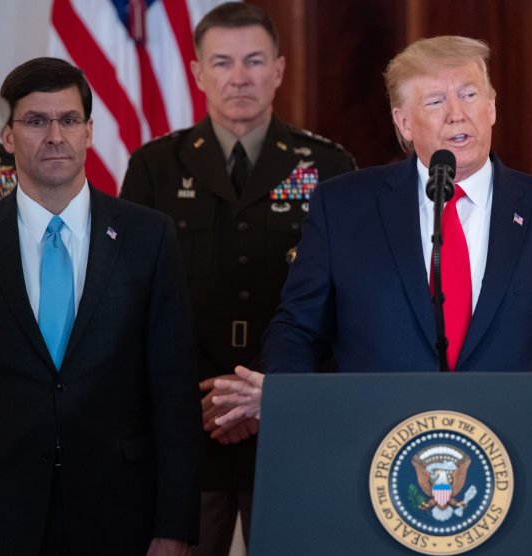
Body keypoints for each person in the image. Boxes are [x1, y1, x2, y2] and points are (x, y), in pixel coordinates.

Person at [209, 36, 532, 438]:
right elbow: (298, 329)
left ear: (493, 106)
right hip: (373, 449)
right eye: (436, 101)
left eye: (471, 95)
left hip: (517, 452)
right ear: (402, 121)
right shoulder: (343, 207)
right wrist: (284, 394)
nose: (458, 115)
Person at [118, 3, 356, 555]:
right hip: (187, 425)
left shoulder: (328, 167)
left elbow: (346, 303)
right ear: (198, 73)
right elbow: (131, 302)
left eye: (254, 61)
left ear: (279, 69)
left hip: (291, 423)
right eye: (222, 62)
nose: (240, 77)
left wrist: (262, 396)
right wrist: (217, 404)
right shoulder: (155, 167)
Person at [0, 57, 199, 555]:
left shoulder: (148, 236)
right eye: (35, 121)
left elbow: (173, 392)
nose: (54, 135)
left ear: (89, 131)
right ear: (6, 137)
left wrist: (174, 527)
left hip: (121, 512)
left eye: (68, 120)